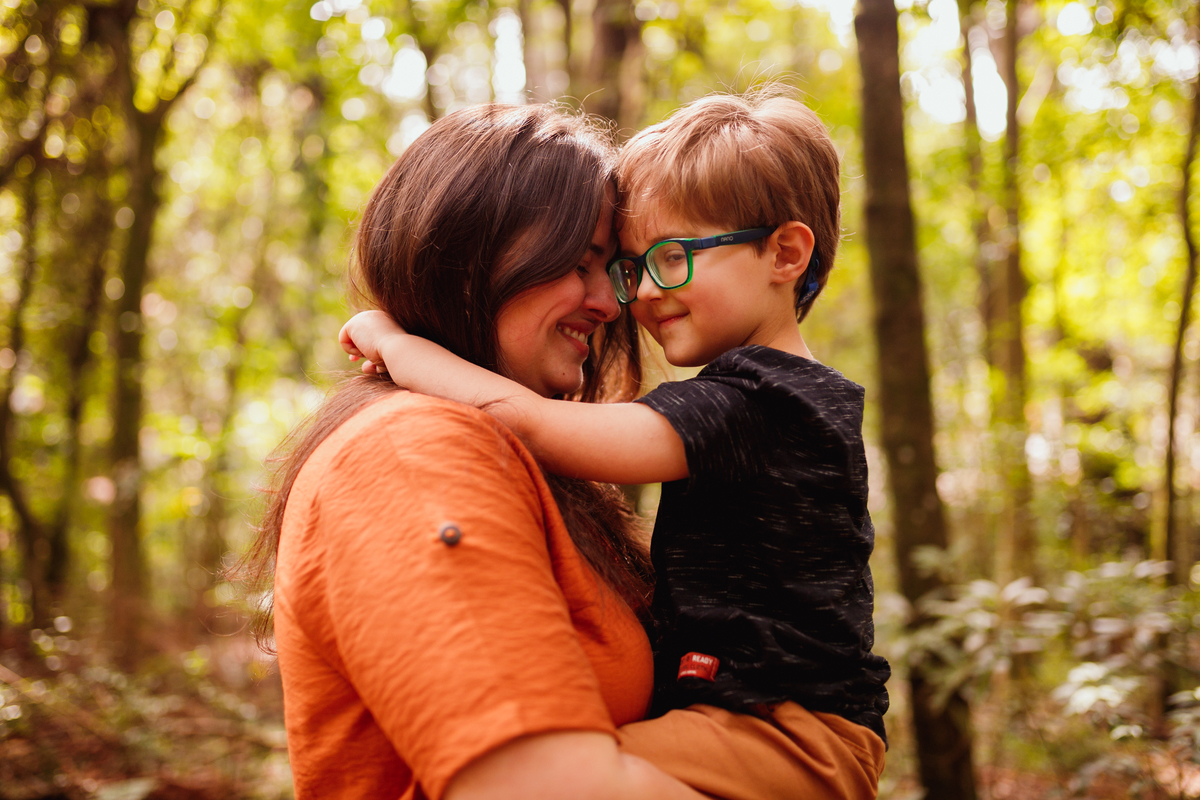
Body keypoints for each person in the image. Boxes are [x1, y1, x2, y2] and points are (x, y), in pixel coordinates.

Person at [340, 88, 891, 799]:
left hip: (787, 732)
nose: (637, 296)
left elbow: (530, 424)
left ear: (784, 252)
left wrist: (394, 343)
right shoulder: (772, 398)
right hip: (762, 722)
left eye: (671, 259)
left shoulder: (762, 404)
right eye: (633, 269)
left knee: (571, 777)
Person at [244, 103, 710, 800]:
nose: (609, 304)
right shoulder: (414, 452)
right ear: (467, 253)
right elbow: (537, 786)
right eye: (579, 261)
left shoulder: (512, 458)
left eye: (606, 269)